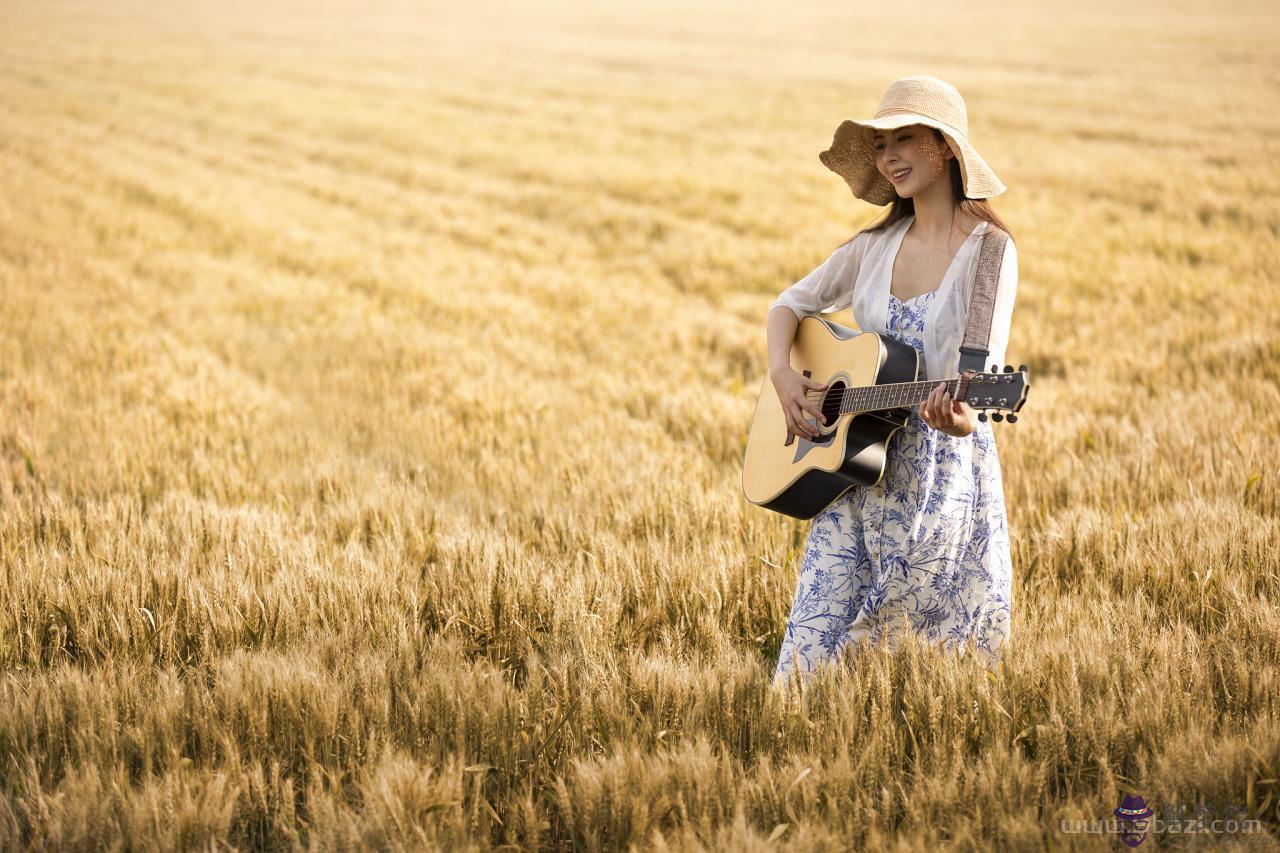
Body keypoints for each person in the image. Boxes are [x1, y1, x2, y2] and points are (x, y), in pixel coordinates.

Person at [766, 75, 1020, 690]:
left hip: (938, 474)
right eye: (881, 145)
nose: (889, 157)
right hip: (851, 467)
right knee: (812, 644)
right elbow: (790, 304)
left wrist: (957, 415)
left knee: (909, 659)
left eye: (903, 138)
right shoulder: (875, 246)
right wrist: (783, 375)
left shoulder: (990, 253)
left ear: (945, 148)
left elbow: (975, 395)